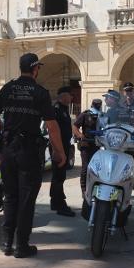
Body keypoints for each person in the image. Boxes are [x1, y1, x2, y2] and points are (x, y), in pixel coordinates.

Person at [0, 53, 66, 258]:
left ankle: (6, 243)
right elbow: (52, 126)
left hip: (8, 149)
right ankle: (22, 246)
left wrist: (5, 129)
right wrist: (60, 152)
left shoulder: (8, 88)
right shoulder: (40, 93)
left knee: (10, 196)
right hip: (29, 151)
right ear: (35, 69)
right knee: (26, 199)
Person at [49, 86, 76, 217]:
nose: (72, 97)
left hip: (64, 146)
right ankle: (59, 205)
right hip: (58, 148)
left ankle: (56, 202)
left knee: (60, 176)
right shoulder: (56, 110)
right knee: (58, 176)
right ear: (63, 95)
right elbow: (53, 132)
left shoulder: (64, 109)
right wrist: (56, 150)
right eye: (70, 95)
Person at [73, 98, 102, 202]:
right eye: (96, 105)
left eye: (99, 105)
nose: (98, 107)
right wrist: (80, 135)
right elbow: (75, 126)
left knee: (96, 169)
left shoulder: (102, 115)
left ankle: (95, 188)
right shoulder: (85, 114)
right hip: (86, 144)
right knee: (85, 168)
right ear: (92, 105)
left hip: (97, 145)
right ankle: (84, 190)